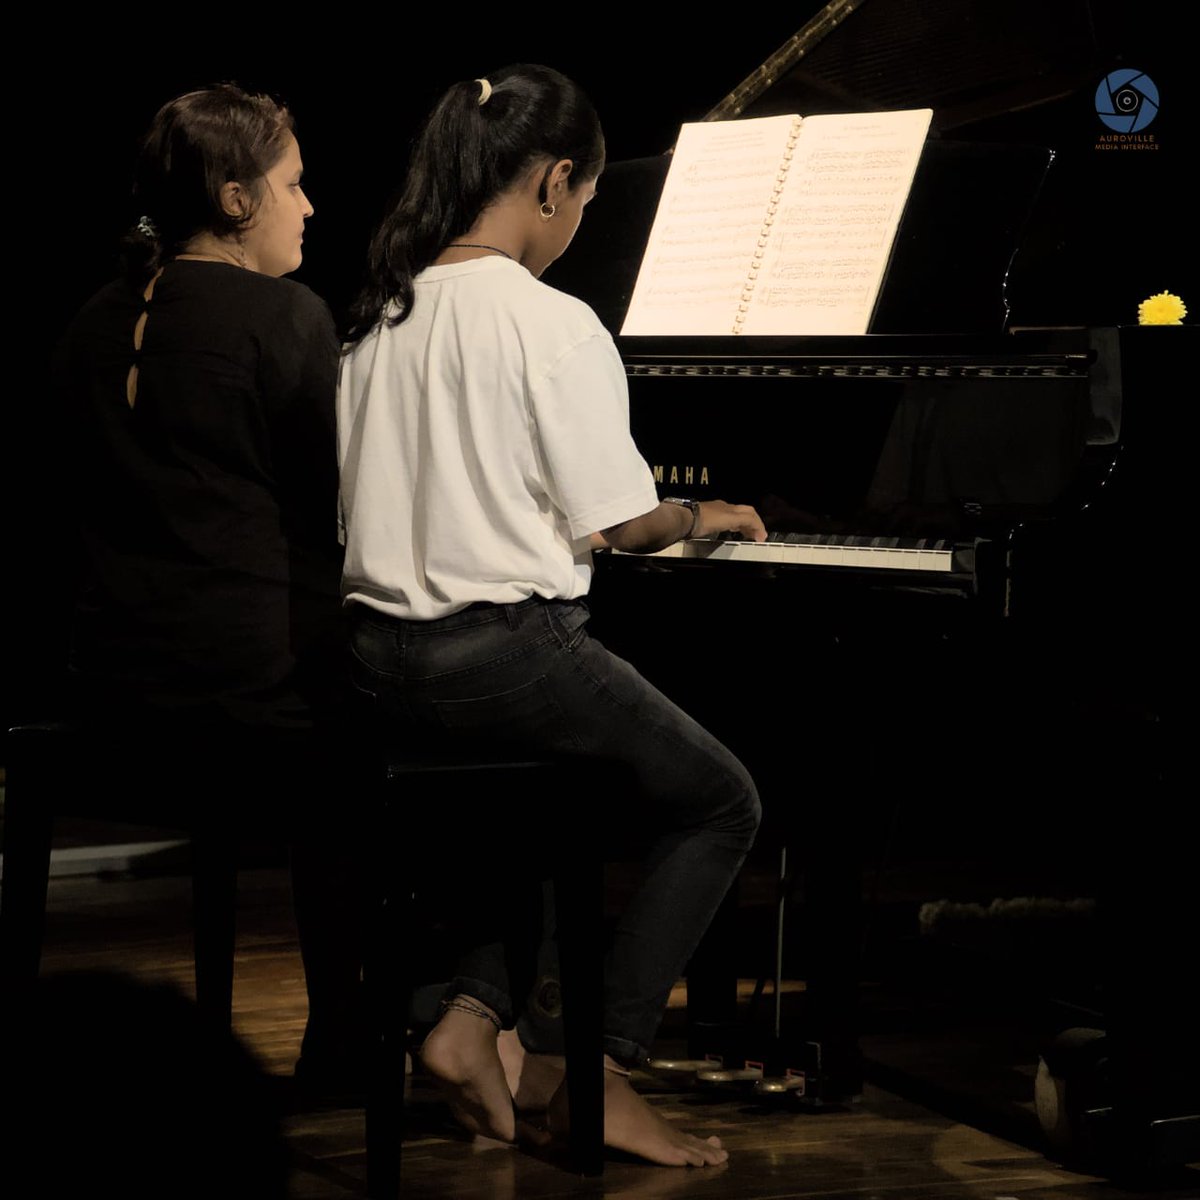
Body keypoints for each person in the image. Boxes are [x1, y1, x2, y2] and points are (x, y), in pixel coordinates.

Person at [337, 63, 765, 1167]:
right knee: (718, 801)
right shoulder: (551, 321)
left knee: (544, 800)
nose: (580, 221)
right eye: (585, 199)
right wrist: (697, 510)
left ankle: (473, 1025)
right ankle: (597, 1068)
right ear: (556, 181)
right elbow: (622, 528)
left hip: (381, 663)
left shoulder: (380, 315)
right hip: (499, 657)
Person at [51, 83, 364, 1089]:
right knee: (430, 727)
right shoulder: (285, 315)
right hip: (245, 695)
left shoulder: (95, 319)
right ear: (236, 200)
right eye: (295, 185)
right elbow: (340, 501)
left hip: (107, 688)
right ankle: (368, 1030)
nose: (310, 207)